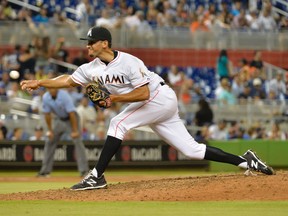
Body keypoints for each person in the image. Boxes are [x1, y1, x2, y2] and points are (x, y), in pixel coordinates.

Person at [20, 26, 275, 191]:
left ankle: (97, 175)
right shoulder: (90, 68)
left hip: (159, 98)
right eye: (87, 43)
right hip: (151, 106)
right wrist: (39, 82)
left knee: (117, 123)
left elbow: (143, 92)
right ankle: (247, 162)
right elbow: (67, 80)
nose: (87, 46)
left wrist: (112, 100)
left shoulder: (129, 62)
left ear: (105, 43)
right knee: (192, 150)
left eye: (92, 42)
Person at [36, 88, 89, 177]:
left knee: (78, 142)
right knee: (49, 141)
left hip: (71, 119)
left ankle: (84, 171)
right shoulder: (46, 97)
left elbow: (71, 113)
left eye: (53, 87)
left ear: (56, 87)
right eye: (50, 87)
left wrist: (75, 130)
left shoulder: (64, 95)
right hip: (59, 120)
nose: (51, 89)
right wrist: (50, 130)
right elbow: (47, 114)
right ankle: (45, 171)